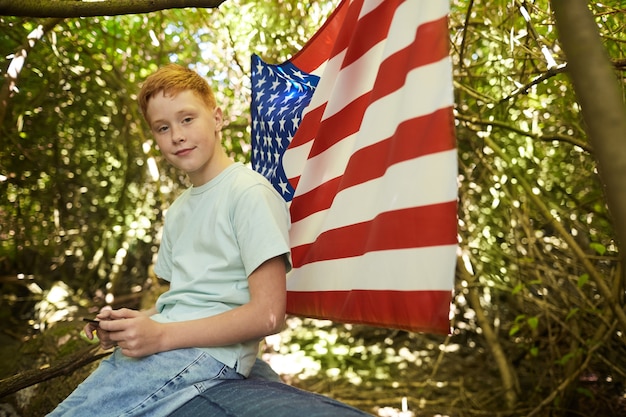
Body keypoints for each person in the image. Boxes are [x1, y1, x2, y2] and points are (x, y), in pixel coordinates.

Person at [48, 63, 292, 417]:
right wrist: (130, 324)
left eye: (187, 119)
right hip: (173, 348)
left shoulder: (248, 193)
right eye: (163, 127)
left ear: (218, 118)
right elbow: (181, 302)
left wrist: (160, 337)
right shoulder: (178, 211)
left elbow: (269, 315)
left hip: (210, 355)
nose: (177, 135)